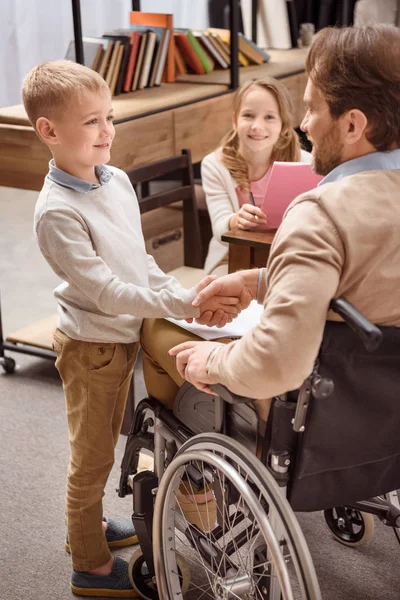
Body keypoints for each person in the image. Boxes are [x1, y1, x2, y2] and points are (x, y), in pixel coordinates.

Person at [21, 60, 240, 598]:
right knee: (92, 456)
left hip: (121, 331)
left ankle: (89, 529)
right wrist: (182, 299)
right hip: (92, 344)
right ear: (48, 131)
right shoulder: (57, 212)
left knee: (102, 445)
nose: (108, 132)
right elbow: (105, 290)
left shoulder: (114, 179)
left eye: (110, 117)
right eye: (92, 121)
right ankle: (89, 566)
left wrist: (178, 298)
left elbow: (137, 263)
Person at [143, 24, 400, 422]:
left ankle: (195, 481)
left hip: (320, 421)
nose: (305, 125)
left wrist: (214, 360)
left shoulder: (320, 214)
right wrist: (260, 282)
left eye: (312, 109)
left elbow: (275, 363)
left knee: (155, 332)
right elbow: (360, 293)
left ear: (352, 125)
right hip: (382, 422)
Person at [201, 76, 311, 276]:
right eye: (248, 115)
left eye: (269, 117)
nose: (257, 126)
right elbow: (219, 228)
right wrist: (235, 220)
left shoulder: (307, 164)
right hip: (231, 258)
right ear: (235, 120)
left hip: (288, 258)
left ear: (284, 125)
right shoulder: (214, 165)